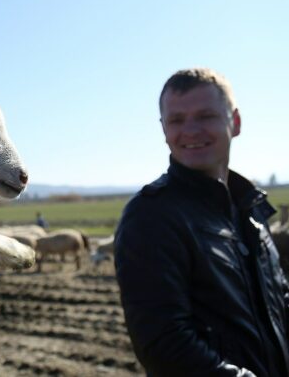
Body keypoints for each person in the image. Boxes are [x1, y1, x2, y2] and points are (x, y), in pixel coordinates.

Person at [114, 68, 289, 376]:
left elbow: (280, 304)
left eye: (206, 116)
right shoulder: (151, 216)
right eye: (176, 120)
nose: (191, 130)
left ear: (235, 122)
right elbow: (165, 345)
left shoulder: (249, 210)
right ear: (163, 129)